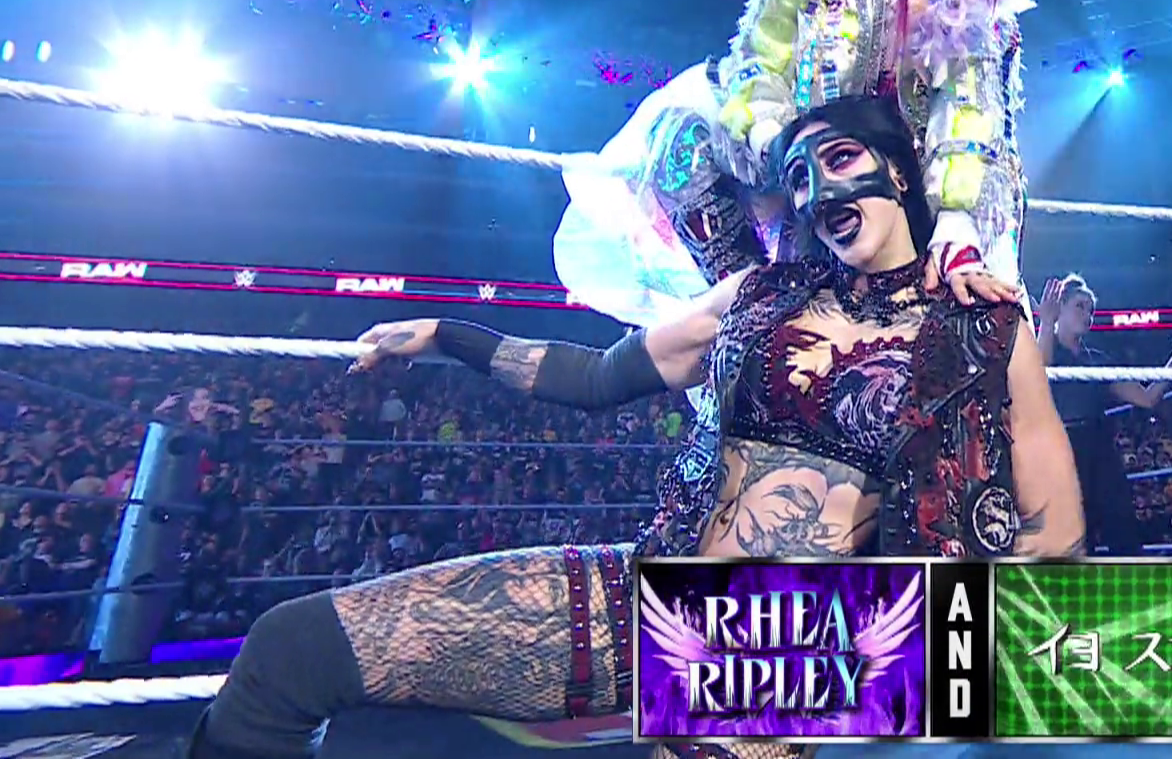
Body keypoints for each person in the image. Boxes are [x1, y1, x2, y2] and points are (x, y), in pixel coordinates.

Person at [187, 97, 1085, 759]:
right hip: (643, 590)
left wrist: (885, 662)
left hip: (781, 653)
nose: (818, 191)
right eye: (798, 177)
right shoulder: (759, 293)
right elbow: (594, 376)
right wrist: (447, 336)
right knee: (290, 650)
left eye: (839, 158)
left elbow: (1056, 541)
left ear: (899, 172)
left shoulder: (985, 329)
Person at [551, 0, 1050, 546]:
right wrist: (785, 147)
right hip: (815, 178)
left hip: (930, 189)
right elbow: (757, 66)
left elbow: (971, 107)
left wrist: (954, 216)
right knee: (683, 136)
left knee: (971, 316)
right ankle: (751, 312)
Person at [1034, 274, 1172, 555]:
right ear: (1060, 308)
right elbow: (1037, 376)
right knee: (1075, 538)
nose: (1087, 315)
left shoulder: (1097, 360)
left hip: (1100, 449)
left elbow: (1147, 398)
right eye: (1080, 306)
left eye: (1091, 310)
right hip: (1062, 451)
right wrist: (1046, 324)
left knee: (1122, 528)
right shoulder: (1046, 349)